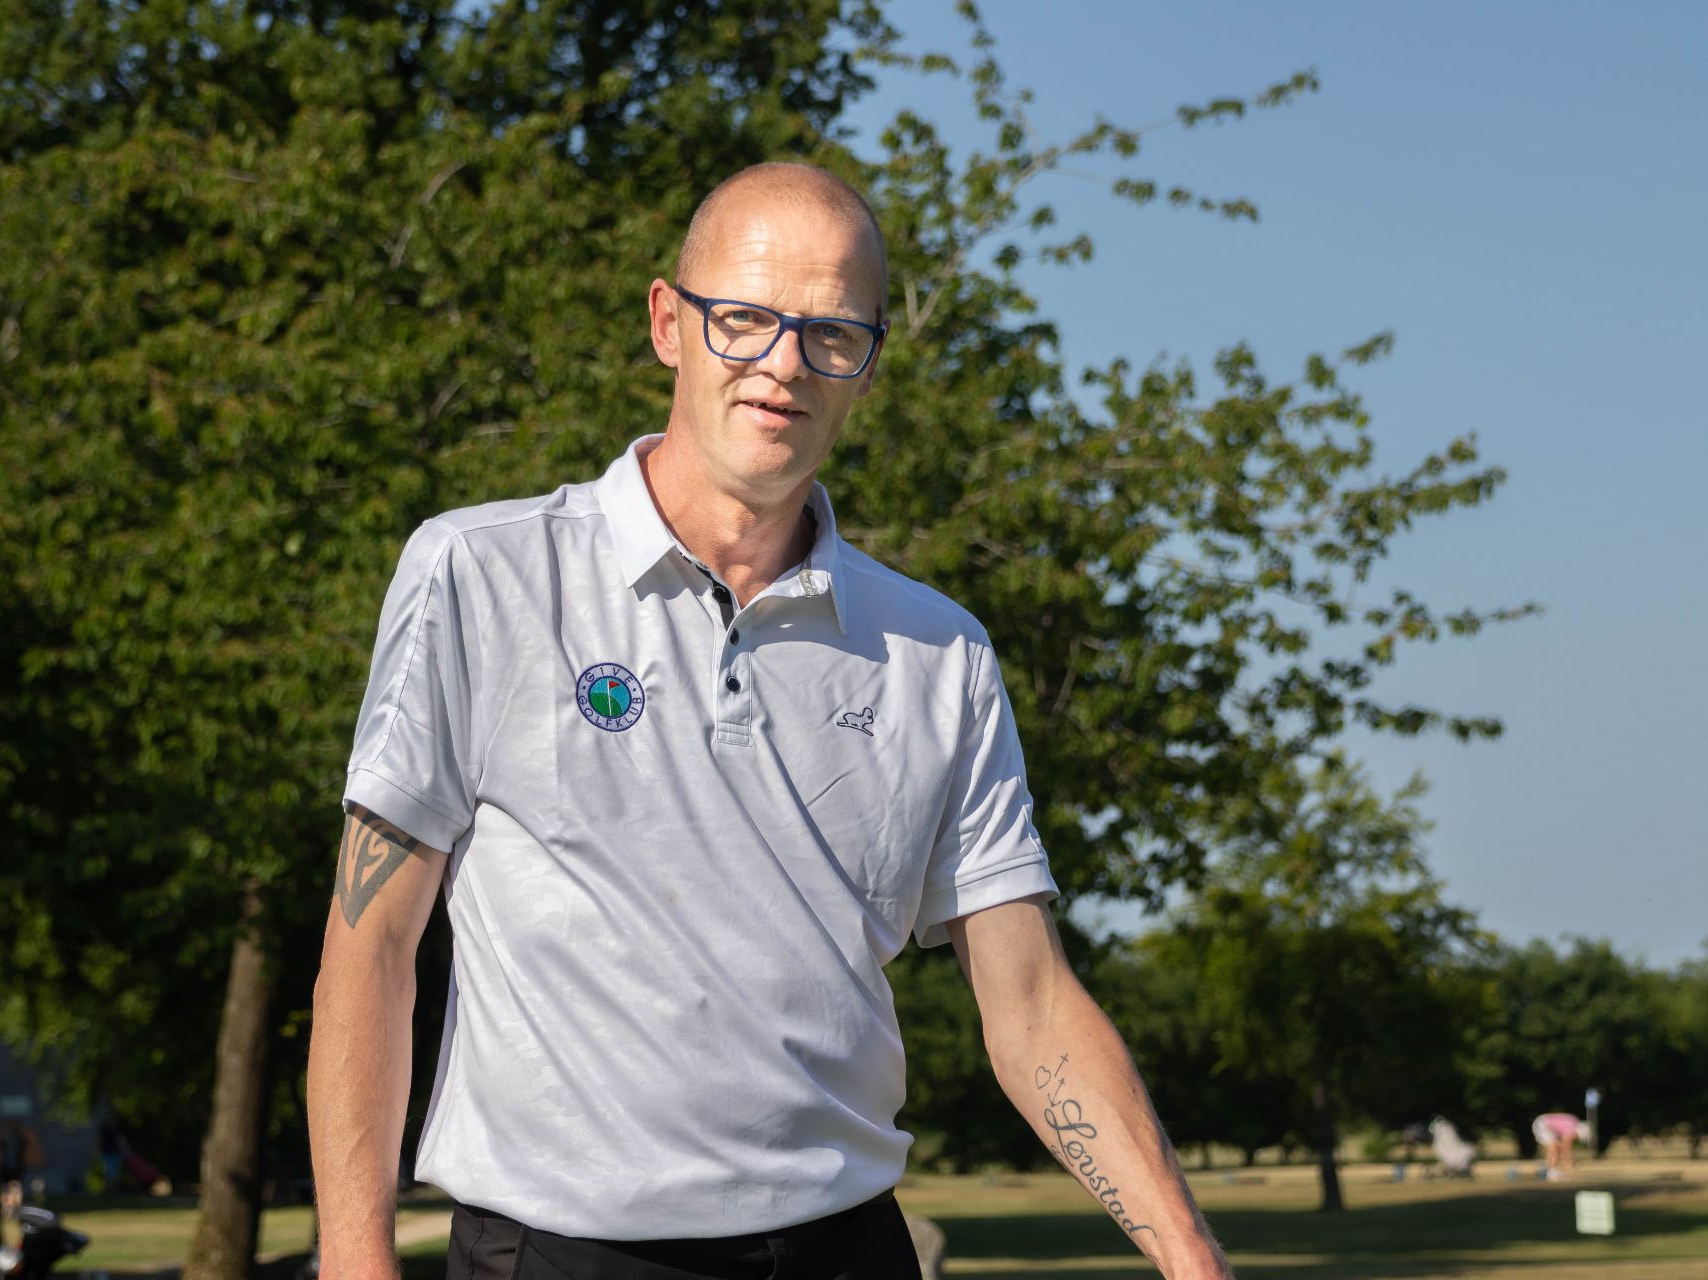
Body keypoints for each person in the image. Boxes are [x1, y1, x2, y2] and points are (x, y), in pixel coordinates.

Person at [309, 162, 1232, 1280]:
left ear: (867, 364)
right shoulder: (481, 573)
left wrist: (1192, 1258)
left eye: (831, 332)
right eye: (744, 319)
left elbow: (1031, 1004)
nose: (784, 364)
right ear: (669, 323)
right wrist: (354, 1262)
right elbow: (371, 948)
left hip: (849, 1247)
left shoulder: (940, 652)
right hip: (558, 1252)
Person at [1532, 1111, 1590, 1180]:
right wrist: (1568, 1163)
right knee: (1554, 1147)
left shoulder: (1573, 1122)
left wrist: (1566, 1160)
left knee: (1555, 1147)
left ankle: (1550, 1170)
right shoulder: (1571, 1128)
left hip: (1544, 1124)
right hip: (1542, 1125)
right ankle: (1550, 1172)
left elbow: (1563, 1147)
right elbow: (1566, 1147)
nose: (1576, 1138)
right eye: (1578, 1137)